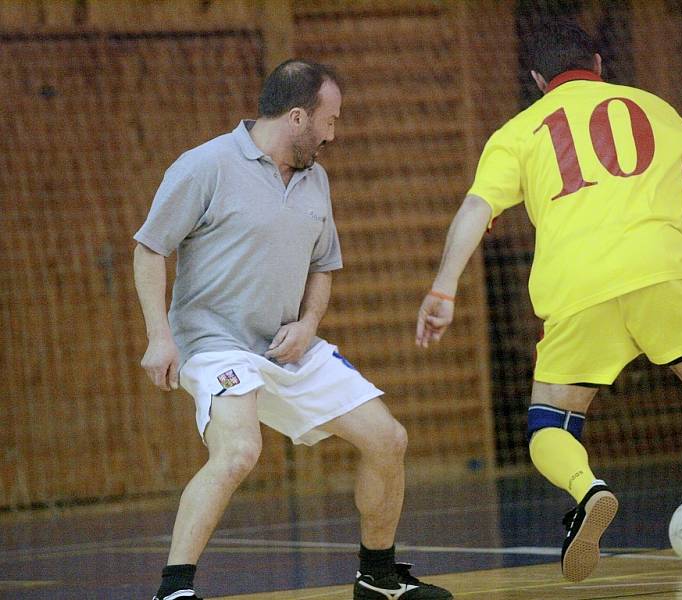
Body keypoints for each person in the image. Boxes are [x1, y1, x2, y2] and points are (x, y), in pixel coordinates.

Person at [415, 20, 682, 590]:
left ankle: (588, 488)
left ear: (539, 79)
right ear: (597, 63)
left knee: (549, 422)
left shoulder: (517, 132)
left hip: (577, 288)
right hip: (662, 275)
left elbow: (475, 208)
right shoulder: (653, 108)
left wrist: (443, 287)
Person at [134, 59, 452, 600]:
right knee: (238, 451)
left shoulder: (315, 179)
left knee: (387, 439)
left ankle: (377, 578)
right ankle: (174, 590)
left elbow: (323, 267)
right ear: (299, 117)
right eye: (331, 120)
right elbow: (149, 248)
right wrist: (159, 336)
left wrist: (308, 324)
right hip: (214, 343)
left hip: (287, 346)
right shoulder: (204, 165)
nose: (335, 132)